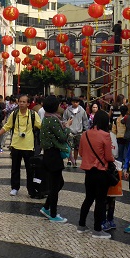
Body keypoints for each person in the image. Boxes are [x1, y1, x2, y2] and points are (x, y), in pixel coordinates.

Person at [0, 93, 42, 197]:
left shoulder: (32, 115)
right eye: (20, 101)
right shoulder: (14, 114)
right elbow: (7, 127)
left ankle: (31, 189)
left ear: (28, 103)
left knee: (30, 170)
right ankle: (14, 188)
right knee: (15, 168)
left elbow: (41, 126)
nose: (21, 103)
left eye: (24, 102)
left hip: (28, 146)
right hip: (16, 145)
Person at [77, 110, 115, 239]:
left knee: (88, 198)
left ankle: (81, 225)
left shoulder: (85, 134)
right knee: (100, 200)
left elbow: (81, 153)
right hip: (101, 172)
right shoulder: (105, 135)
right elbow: (109, 156)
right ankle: (97, 229)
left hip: (89, 172)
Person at [39, 95, 73, 224]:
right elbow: (63, 138)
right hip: (53, 155)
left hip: (49, 154)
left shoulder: (47, 119)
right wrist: (68, 126)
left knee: (59, 183)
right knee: (55, 185)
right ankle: (53, 214)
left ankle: (47, 207)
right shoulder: (53, 120)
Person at [63, 97, 90, 168]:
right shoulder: (67, 110)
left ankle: (74, 160)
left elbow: (85, 120)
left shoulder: (82, 110)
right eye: (74, 102)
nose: (75, 103)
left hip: (79, 131)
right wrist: (66, 126)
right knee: (69, 146)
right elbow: (64, 119)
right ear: (71, 102)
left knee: (76, 147)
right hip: (70, 131)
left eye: (77, 102)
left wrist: (86, 129)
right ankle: (69, 160)